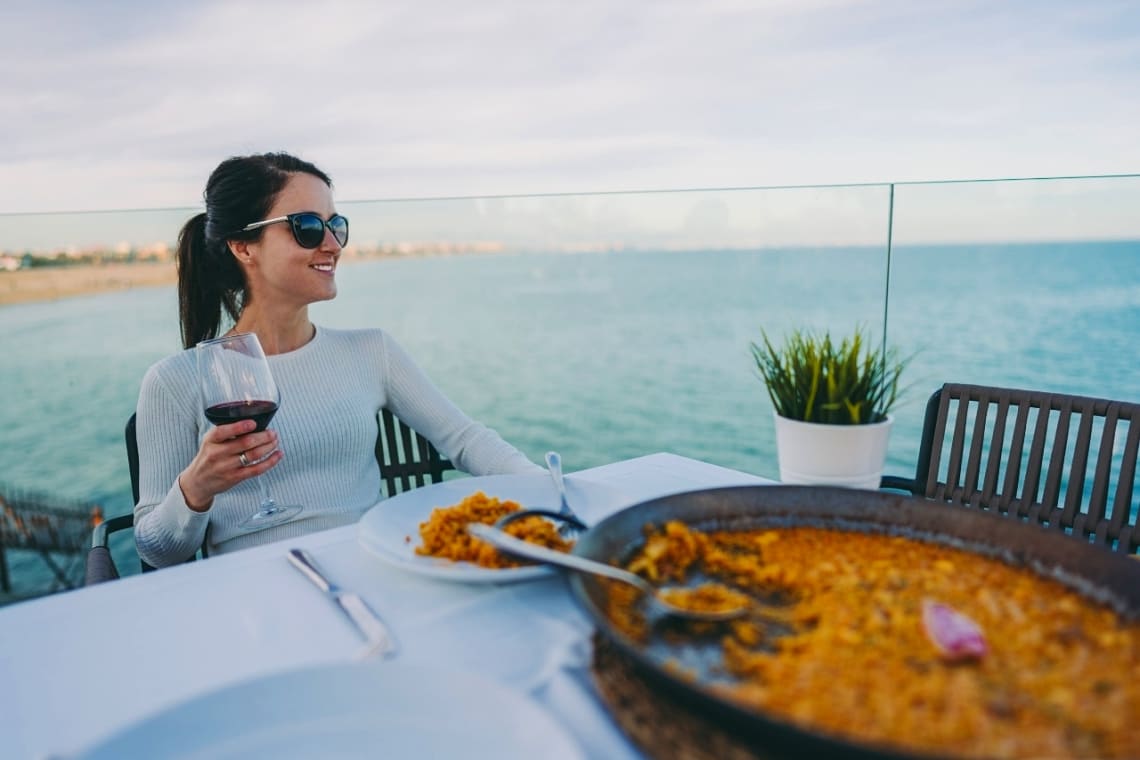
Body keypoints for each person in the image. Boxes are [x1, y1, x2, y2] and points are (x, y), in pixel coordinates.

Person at [133, 152, 541, 567]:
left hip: (372, 568)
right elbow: (155, 549)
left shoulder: (371, 351)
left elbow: (467, 441)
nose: (332, 244)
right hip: (252, 594)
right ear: (243, 247)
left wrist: (550, 492)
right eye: (307, 228)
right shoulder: (175, 381)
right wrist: (196, 488)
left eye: (336, 225)